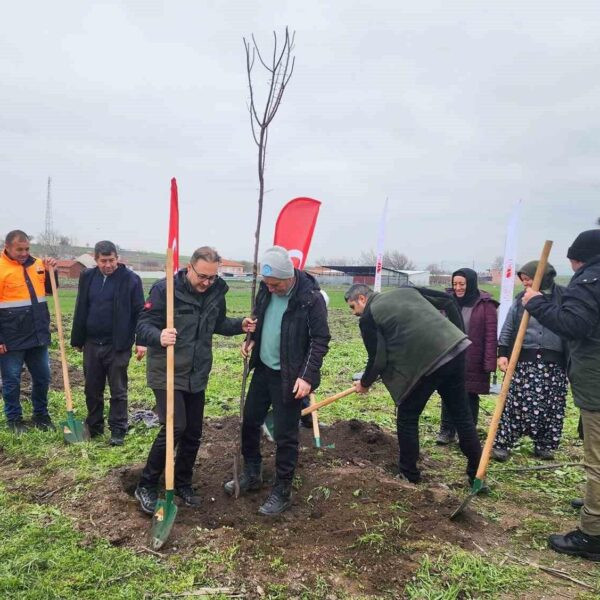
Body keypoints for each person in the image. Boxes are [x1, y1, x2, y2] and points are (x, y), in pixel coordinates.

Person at [134, 247, 256, 514]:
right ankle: (145, 484)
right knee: (175, 426)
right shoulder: (164, 289)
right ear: (189, 268)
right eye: (202, 276)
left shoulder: (215, 291)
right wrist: (159, 336)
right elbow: (143, 324)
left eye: (212, 278)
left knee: (193, 432)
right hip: (166, 371)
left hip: (197, 373)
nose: (206, 283)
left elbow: (218, 323)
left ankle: (182, 482)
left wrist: (240, 325)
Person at [224, 246, 330, 516]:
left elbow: (320, 340)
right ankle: (252, 472)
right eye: (266, 284)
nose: (270, 289)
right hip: (263, 370)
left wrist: (307, 376)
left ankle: (282, 489)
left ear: (290, 276)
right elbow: (259, 320)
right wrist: (252, 340)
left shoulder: (310, 299)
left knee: (286, 434)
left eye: (275, 284)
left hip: (290, 376)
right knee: (249, 422)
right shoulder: (266, 291)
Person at [346, 283, 482, 485]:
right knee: (462, 415)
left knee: (407, 417)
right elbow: (448, 300)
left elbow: (378, 359)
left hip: (428, 363)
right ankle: (477, 475)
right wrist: (457, 333)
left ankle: (409, 474)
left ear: (362, 299)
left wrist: (365, 383)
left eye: (352, 307)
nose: (354, 313)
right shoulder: (406, 290)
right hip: (455, 351)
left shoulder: (369, 317)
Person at [523, 227, 600, 561]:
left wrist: (536, 303)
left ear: (577, 258)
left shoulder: (588, 282)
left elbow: (573, 325)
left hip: (597, 381)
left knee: (597, 461)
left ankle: (592, 533)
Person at [70, 240, 145, 446]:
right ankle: (94, 427)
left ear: (117, 258)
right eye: (103, 261)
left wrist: (141, 341)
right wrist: (77, 338)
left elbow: (140, 312)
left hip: (118, 344)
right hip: (92, 343)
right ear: (96, 260)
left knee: (118, 389)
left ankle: (118, 429)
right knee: (92, 388)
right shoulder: (87, 277)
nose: (108, 265)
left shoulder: (131, 280)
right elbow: (81, 307)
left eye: (111, 260)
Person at [492, 261, 568, 462]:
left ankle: (544, 445)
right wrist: (502, 353)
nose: (525, 283)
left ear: (542, 277)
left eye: (528, 279)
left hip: (554, 364)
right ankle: (503, 443)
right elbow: (508, 328)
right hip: (524, 361)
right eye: (523, 280)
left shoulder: (563, 298)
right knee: (514, 403)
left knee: (551, 406)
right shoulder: (521, 300)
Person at [0, 230, 57, 433]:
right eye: (19, 249)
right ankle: (14, 419)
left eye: (27, 248)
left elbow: (51, 290)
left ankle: (41, 415)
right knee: (12, 380)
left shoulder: (38, 265)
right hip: (11, 337)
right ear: (7, 247)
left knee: (42, 377)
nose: (24, 253)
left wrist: (52, 271)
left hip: (38, 334)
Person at [437, 268, 498, 444]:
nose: (458, 287)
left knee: (469, 395)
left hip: (473, 357)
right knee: (447, 393)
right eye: (455, 284)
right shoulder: (445, 301)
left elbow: (490, 336)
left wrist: (489, 363)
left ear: (470, 283)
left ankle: (467, 435)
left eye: (462, 284)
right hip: (449, 356)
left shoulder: (485, 305)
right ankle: (447, 430)